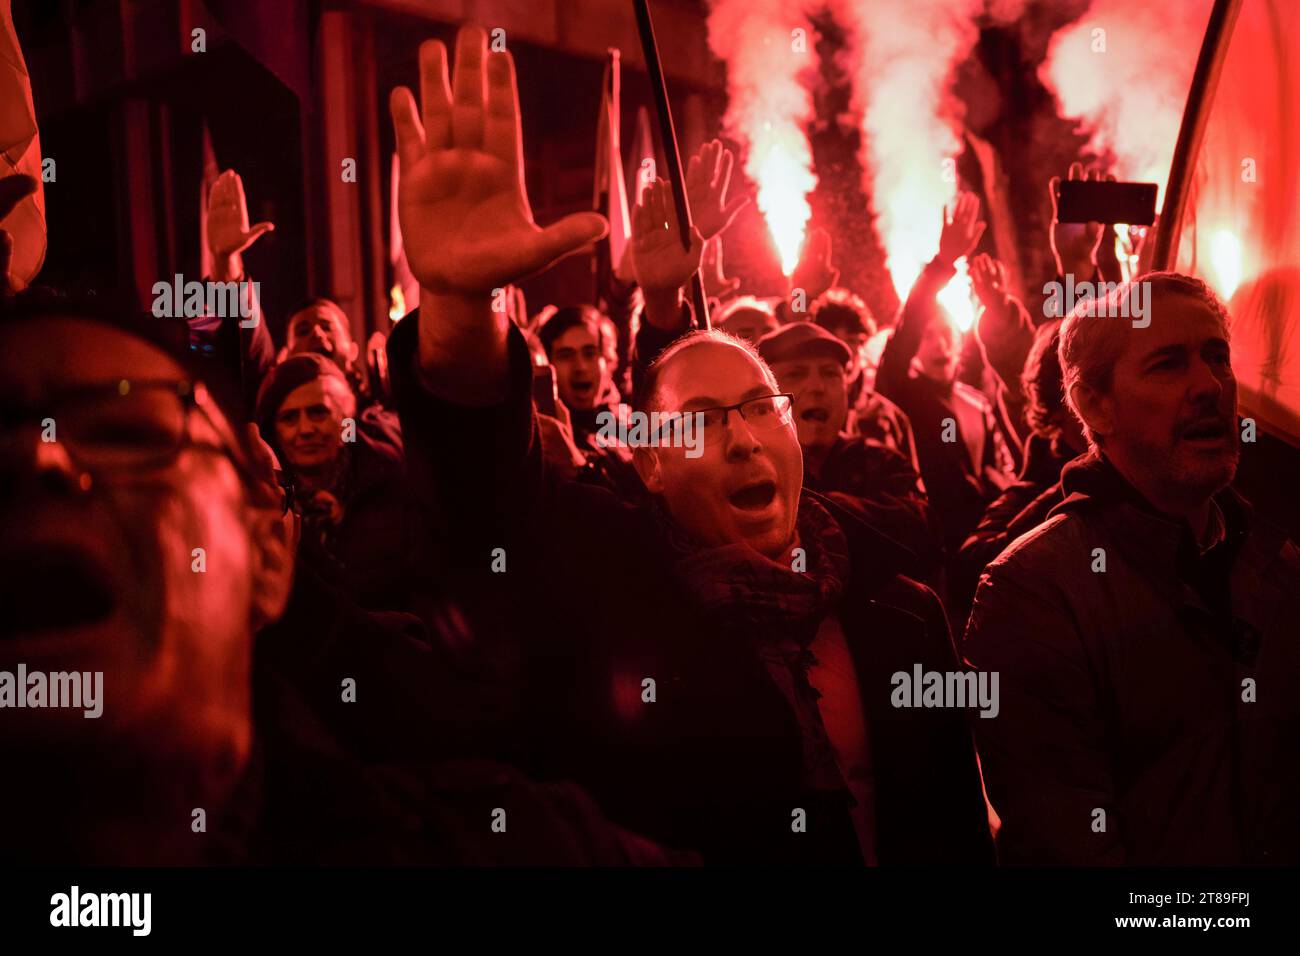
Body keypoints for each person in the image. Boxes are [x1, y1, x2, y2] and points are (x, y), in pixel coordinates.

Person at [386, 25, 993, 864]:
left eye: (757, 408)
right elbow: (483, 498)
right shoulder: (606, 594)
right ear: (650, 459)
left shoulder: (901, 607)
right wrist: (459, 310)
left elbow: (961, 834)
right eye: (704, 422)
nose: (742, 439)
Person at [0, 284, 680, 866]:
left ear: (267, 557)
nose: (39, 459)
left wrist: (461, 330)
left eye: (124, 432)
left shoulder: (496, 844)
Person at [964, 273, 1300, 865]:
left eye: (1216, 356)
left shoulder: (1277, 558)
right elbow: (1064, 848)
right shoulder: (1032, 594)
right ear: (1094, 404)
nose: (1208, 386)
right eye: (1168, 365)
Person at [875, 193, 1015, 557]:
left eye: (946, 335)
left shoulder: (978, 403)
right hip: (927, 552)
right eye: (928, 336)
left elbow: (1000, 470)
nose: (939, 346)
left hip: (984, 549)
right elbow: (906, 330)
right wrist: (943, 263)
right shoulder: (902, 392)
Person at [757, 321, 941, 578]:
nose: (817, 387)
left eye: (830, 373)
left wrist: (817, 507)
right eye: (796, 374)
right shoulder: (752, 472)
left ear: (849, 391)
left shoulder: (882, 462)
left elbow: (921, 536)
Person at [255, 353, 409, 611]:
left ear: (345, 418)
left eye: (318, 413)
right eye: (289, 418)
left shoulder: (389, 478)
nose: (305, 430)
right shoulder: (267, 505)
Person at [951, 319, 1086, 613]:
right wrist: (1075, 488)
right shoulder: (1037, 487)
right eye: (1084, 392)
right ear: (1057, 407)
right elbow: (971, 567)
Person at [811, 286, 919, 469]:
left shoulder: (888, 417)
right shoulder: (802, 413)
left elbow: (913, 492)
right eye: (833, 341)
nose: (845, 351)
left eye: (853, 340)